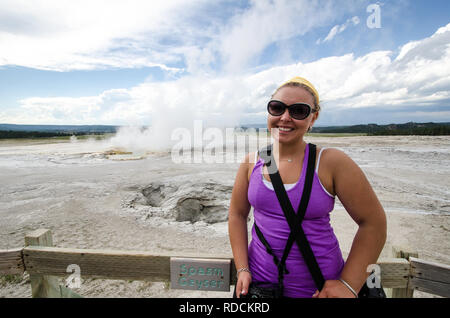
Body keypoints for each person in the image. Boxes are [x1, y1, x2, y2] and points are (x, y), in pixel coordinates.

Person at [228, 77, 387, 298]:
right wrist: (242, 268)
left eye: (299, 111)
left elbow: (374, 222)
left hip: (318, 290)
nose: (285, 117)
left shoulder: (331, 162)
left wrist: (349, 284)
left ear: (314, 117)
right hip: (260, 290)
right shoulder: (251, 162)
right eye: (277, 108)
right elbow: (237, 214)